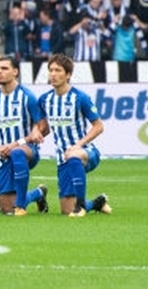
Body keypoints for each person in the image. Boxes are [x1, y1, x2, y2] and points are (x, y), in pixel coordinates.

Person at [36, 54, 112, 217]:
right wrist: (35, 132)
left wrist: (79, 144)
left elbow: (98, 126)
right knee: (65, 210)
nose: (53, 74)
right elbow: (44, 128)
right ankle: (97, 203)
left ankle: (80, 206)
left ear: (68, 74)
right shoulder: (44, 100)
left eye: (58, 70)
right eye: (51, 70)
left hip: (86, 152)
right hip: (62, 158)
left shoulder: (80, 98)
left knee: (73, 156)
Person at [0, 56, 49, 215]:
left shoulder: (27, 96)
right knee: (6, 209)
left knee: (17, 152)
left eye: (4, 68)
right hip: (3, 154)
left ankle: (21, 207)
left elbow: (43, 126)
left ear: (15, 71)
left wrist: (24, 139)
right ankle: (38, 193)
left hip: (27, 150)